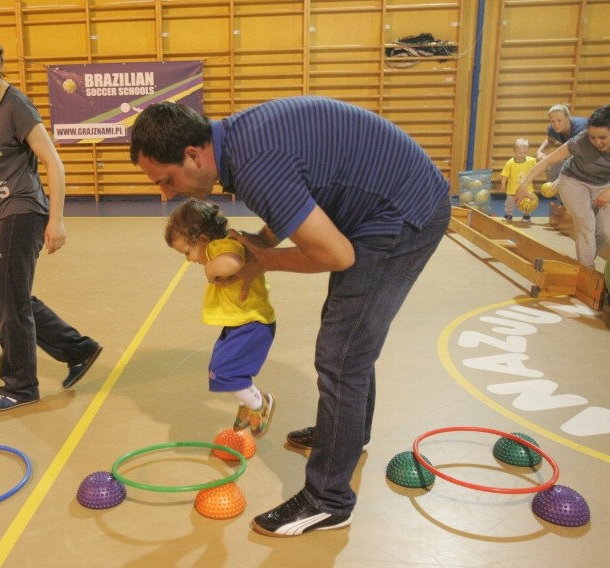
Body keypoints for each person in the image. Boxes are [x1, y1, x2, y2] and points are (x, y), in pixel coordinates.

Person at [130, 96, 451, 537]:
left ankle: (329, 500)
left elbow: (337, 255)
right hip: (383, 202)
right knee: (350, 338)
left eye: (166, 180)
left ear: (193, 154)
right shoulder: (237, 145)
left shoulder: (254, 165)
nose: (166, 194)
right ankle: (349, 437)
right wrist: (263, 239)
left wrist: (266, 260)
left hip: (404, 213)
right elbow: (297, 200)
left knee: (342, 354)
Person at [0, 30, 102, 412]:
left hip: (24, 210)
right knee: (16, 295)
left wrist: (57, 220)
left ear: (1, 66)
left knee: (8, 304)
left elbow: (54, 163)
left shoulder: (17, 107)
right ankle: (78, 349)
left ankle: (19, 386)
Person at [164, 198, 276, 437]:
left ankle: (259, 404)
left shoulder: (222, 246)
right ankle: (248, 403)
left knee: (224, 371)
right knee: (222, 369)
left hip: (252, 323)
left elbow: (232, 262)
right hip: (241, 324)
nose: (189, 259)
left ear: (203, 239)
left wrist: (209, 270)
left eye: (187, 251)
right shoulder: (218, 247)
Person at [516, 104, 610, 269]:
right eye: (593, 137)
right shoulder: (581, 140)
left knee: (604, 233)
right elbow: (549, 160)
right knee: (586, 223)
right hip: (573, 180)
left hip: (603, 184)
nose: (597, 142)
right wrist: (523, 185)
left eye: (603, 137)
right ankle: (587, 270)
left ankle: (582, 268)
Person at [536, 104, 588, 182]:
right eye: (552, 121)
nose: (556, 125)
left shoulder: (580, 128)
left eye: (559, 120)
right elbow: (550, 140)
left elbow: (577, 156)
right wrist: (540, 151)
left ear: (568, 117)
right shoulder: (552, 128)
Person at [500, 138, 538, 222]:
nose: (522, 155)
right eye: (520, 153)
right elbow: (505, 175)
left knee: (527, 202)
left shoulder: (530, 160)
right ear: (514, 152)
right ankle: (508, 215)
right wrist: (503, 184)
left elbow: (539, 164)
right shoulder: (510, 163)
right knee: (509, 203)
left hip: (526, 189)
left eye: (525, 153)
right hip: (512, 189)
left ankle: (526, 215)